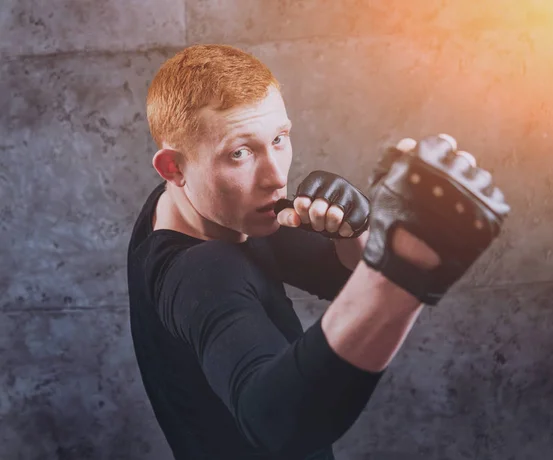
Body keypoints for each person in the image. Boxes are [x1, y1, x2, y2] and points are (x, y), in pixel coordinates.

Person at [126, 44, 510, 460]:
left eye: (279, 139)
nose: (275, 177)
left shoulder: (198, 207)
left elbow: (344, 280)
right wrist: (404, 273)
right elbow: (278, 423)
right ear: (173, 167)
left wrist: (356, 232)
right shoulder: (201, 273)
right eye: (240, 153)